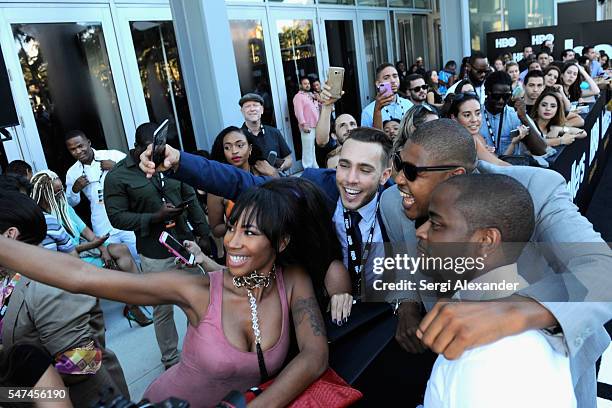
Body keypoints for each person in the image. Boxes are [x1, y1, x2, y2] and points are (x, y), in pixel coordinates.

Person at [0, 177, 337, 408]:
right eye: (231, 227)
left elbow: (314, 355)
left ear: (281, 242)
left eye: (249, 232)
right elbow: (80, 276)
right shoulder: (196, 290)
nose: (232, 242)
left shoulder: (291, 280)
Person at [380, 119, 612, 407]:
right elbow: (402, 258)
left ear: (455, 175)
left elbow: (603, 270)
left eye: (412, 172)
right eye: (400, 163)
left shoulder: (535, 190)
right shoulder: (393, 203)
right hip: (453, 362)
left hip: (544, 363)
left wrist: (514, 310)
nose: (399, 179)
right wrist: (406, 303)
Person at [137, 127, 393, 312]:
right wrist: (180, 161)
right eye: (344, 165)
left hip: (387, 311)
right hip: (327, 310)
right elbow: (244, 183)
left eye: (365, 169)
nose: (350, 179)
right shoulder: (317, 187)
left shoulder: (401, 207)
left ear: (385, 175)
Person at [421, 174, 575, 408]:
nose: (421, 232)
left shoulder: (494, 360)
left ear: (486, 241)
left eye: (437, 224)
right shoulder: (490, 315)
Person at [0, 191, 129, 407]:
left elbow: (84, 363)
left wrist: (14, 393)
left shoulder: (47, 282)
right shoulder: (11, 279)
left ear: (9, 235)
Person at [104, 122, 210, 369]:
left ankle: (207, 349)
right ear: (137, 147)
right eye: (151, 150)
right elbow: (117, 217)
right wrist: (154, 217)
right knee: (163, 310)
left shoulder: (170, 161)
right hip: (154, 252)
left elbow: (190, 197)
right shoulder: (118, 176)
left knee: (203, 300)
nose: (157, 155)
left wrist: (202, 232)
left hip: (186, 244)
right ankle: (171, 359)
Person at [30, 170, 152, 327]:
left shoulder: (65, 208)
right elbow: (63, 252)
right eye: (56, 193)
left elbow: (88, 234)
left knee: (121, 249)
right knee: (113, 267)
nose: (61, 195)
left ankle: (138, 300)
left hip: (85, 248)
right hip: (68, 259)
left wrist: (102, 248)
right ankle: (134, 304)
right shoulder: (41, 220)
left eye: (61, 191)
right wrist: (94, 246)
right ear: (45, 195)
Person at [64, 130, 138, 263]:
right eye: (73, 149)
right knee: (117, 262)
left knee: (138, 255)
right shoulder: (72, 172)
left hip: (126, 216)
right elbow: (70, 203)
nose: (78, 151)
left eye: (80, 146)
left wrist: (116, 168)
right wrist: (75, 189)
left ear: (89, 143)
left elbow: (137, 175)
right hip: (101, 223)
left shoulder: (112, 155)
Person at [208, 126, 261, 240]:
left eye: (240, 145)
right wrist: (236, 222)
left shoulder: (262, 174)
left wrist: (273, 174)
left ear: (250, 148)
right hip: (238, 244)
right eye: (227, 147)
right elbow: (216, 230)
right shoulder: (218, 185)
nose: (234, 151)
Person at [446, 92, 509, 166]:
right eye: (467, 115)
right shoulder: (452, 142)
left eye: (478, 113)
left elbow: (497, 162)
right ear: (454, 117)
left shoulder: (475, 137)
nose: (474, 119)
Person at [239, 93, 293, 176]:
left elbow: (289, 159)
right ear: (242, 111)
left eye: (255, 105)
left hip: (276, 182)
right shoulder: (238, 137)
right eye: (247, 106)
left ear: (262, 110)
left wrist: (281, 166)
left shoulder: (274, 132)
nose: (252, 109)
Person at [479, 71, 528, 156]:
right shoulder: (475, 115)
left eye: (506, 96)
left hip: (509, 167)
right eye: (496, 96)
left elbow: (541, 149)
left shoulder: (515, 115)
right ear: (487, 92)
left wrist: (524, 118)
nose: (501, 100)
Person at [314, 83, 358, 168]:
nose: (349, 128)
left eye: (352, 124)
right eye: (342, 126)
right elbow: (321, 141)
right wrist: (327, 105)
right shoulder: (330, 155)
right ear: (334, 135)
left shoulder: (367, 150)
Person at [361, 63, 413, 129]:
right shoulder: (368, 112)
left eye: (395, 76)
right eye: (386, 78)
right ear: (378, 84)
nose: (393, 81)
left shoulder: (408, 104)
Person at [293, 77, 320, 169]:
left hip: (315, 125)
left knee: (312, 148)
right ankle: (307, 169)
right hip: (307, 126)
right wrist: (303, 124)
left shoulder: (311, 95)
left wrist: (317, 99)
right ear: (300, 85)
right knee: (307, 149)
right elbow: (298, 112)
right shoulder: (298, 97)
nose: (307, 85)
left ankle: (314, 168)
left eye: (308, 83)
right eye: (305, 83)